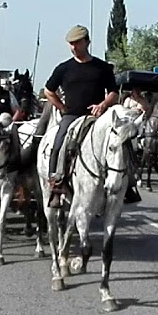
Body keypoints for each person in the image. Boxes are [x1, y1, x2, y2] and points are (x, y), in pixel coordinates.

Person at [41, 25, 118, 207]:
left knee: (119, 142)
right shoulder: (64, 68)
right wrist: (62, 107)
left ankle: (126, 184)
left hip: (97, 117)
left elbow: (114, 93)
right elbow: (48, 91)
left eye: (77, 43)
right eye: (71, 44)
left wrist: (103, 105)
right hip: (72, 115)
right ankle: (56, 183)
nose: (74, 47)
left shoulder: (102, 67)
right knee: (59, 142)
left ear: (87, 42)